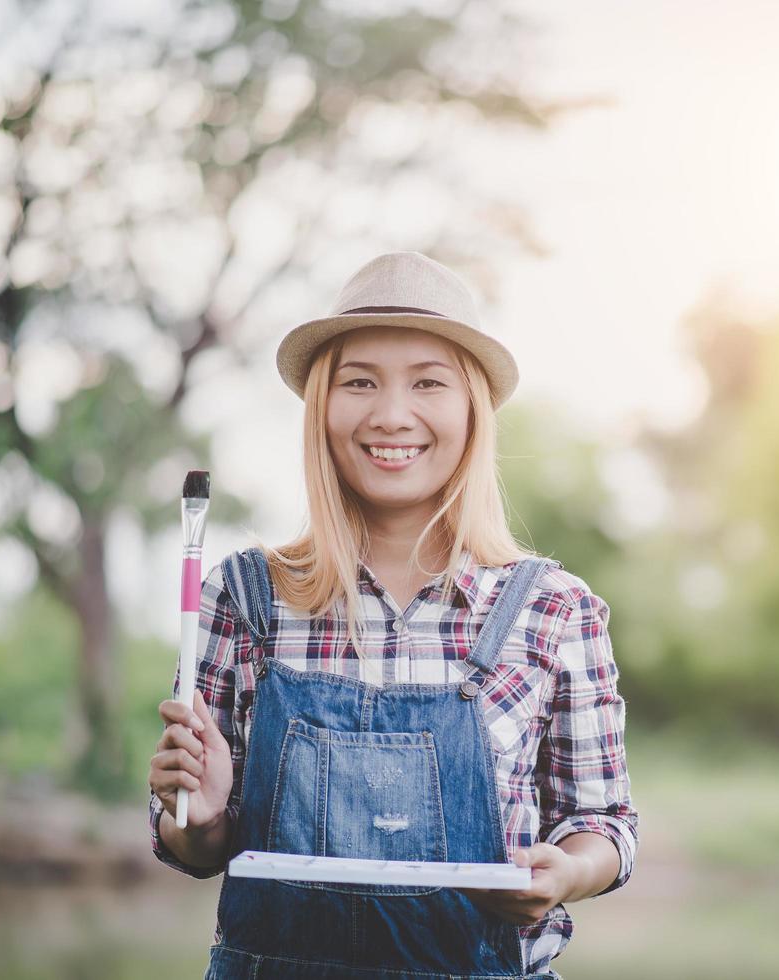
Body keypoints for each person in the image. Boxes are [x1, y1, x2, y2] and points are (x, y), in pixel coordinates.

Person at [146, 251, 639, 979]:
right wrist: (204, 813)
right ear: (322, 406)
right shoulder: (242, 597)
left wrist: (561, 875)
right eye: (359, 382)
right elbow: (194, 850)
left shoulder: (553, 609)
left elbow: (603, 826)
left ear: (471, 406)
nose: (390, 414)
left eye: (428, 383)